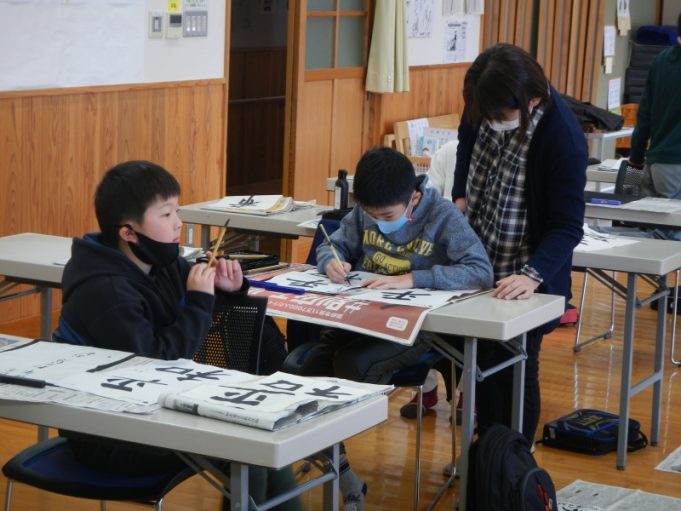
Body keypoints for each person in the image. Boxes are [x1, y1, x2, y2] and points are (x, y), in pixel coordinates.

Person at [53, 160, 300, 511]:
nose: (178, 223)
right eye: (166, 214)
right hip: (109, 431)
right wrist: (200, 300)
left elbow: (201, 329)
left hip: (157, 408)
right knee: (247, 451)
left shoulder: (162, 261)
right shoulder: (104, 289)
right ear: (128, 233)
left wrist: (227, 289)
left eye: (177, 211)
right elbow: (155, 362)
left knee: (264, 448)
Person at [287, 146, 493, 510]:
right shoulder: (365, 212)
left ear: (414, 197)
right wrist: (331, 260)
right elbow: (334, 244)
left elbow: (480, 271)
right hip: (360, 317)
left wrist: (414, 278)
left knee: (350, 369)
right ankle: (345, 475)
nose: (378, 221)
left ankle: (338, 471)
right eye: (371, 215)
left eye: (387, 216)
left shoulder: (442, 215)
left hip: (415, 329)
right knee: (305, 382)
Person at [452, 44, 587, 443]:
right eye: (487, 114)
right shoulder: (484, 99)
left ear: (532, 100)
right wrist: (459, 196)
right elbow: (465, 146)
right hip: (477, 258)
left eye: (501, 116)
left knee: (517, 366)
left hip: (527, 267)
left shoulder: (562, 138)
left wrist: (531, 275)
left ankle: (513, 459)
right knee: (480, 360)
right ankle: (485, 453)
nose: (492, 122)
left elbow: (567, 226)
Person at [400, 139, 459, 418]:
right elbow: (429, 196)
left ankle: (469, 394)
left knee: (465, 329)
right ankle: (426, 387)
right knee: (421, 320)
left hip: (471, 246)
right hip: (437, 243)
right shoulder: (450, 150)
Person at [628, 13, 681, 242]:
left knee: (648, 239)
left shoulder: (661, 60)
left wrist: (635, 159)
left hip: (654, 165)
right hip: (676, 170)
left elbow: (644, 116)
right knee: (668, 244)